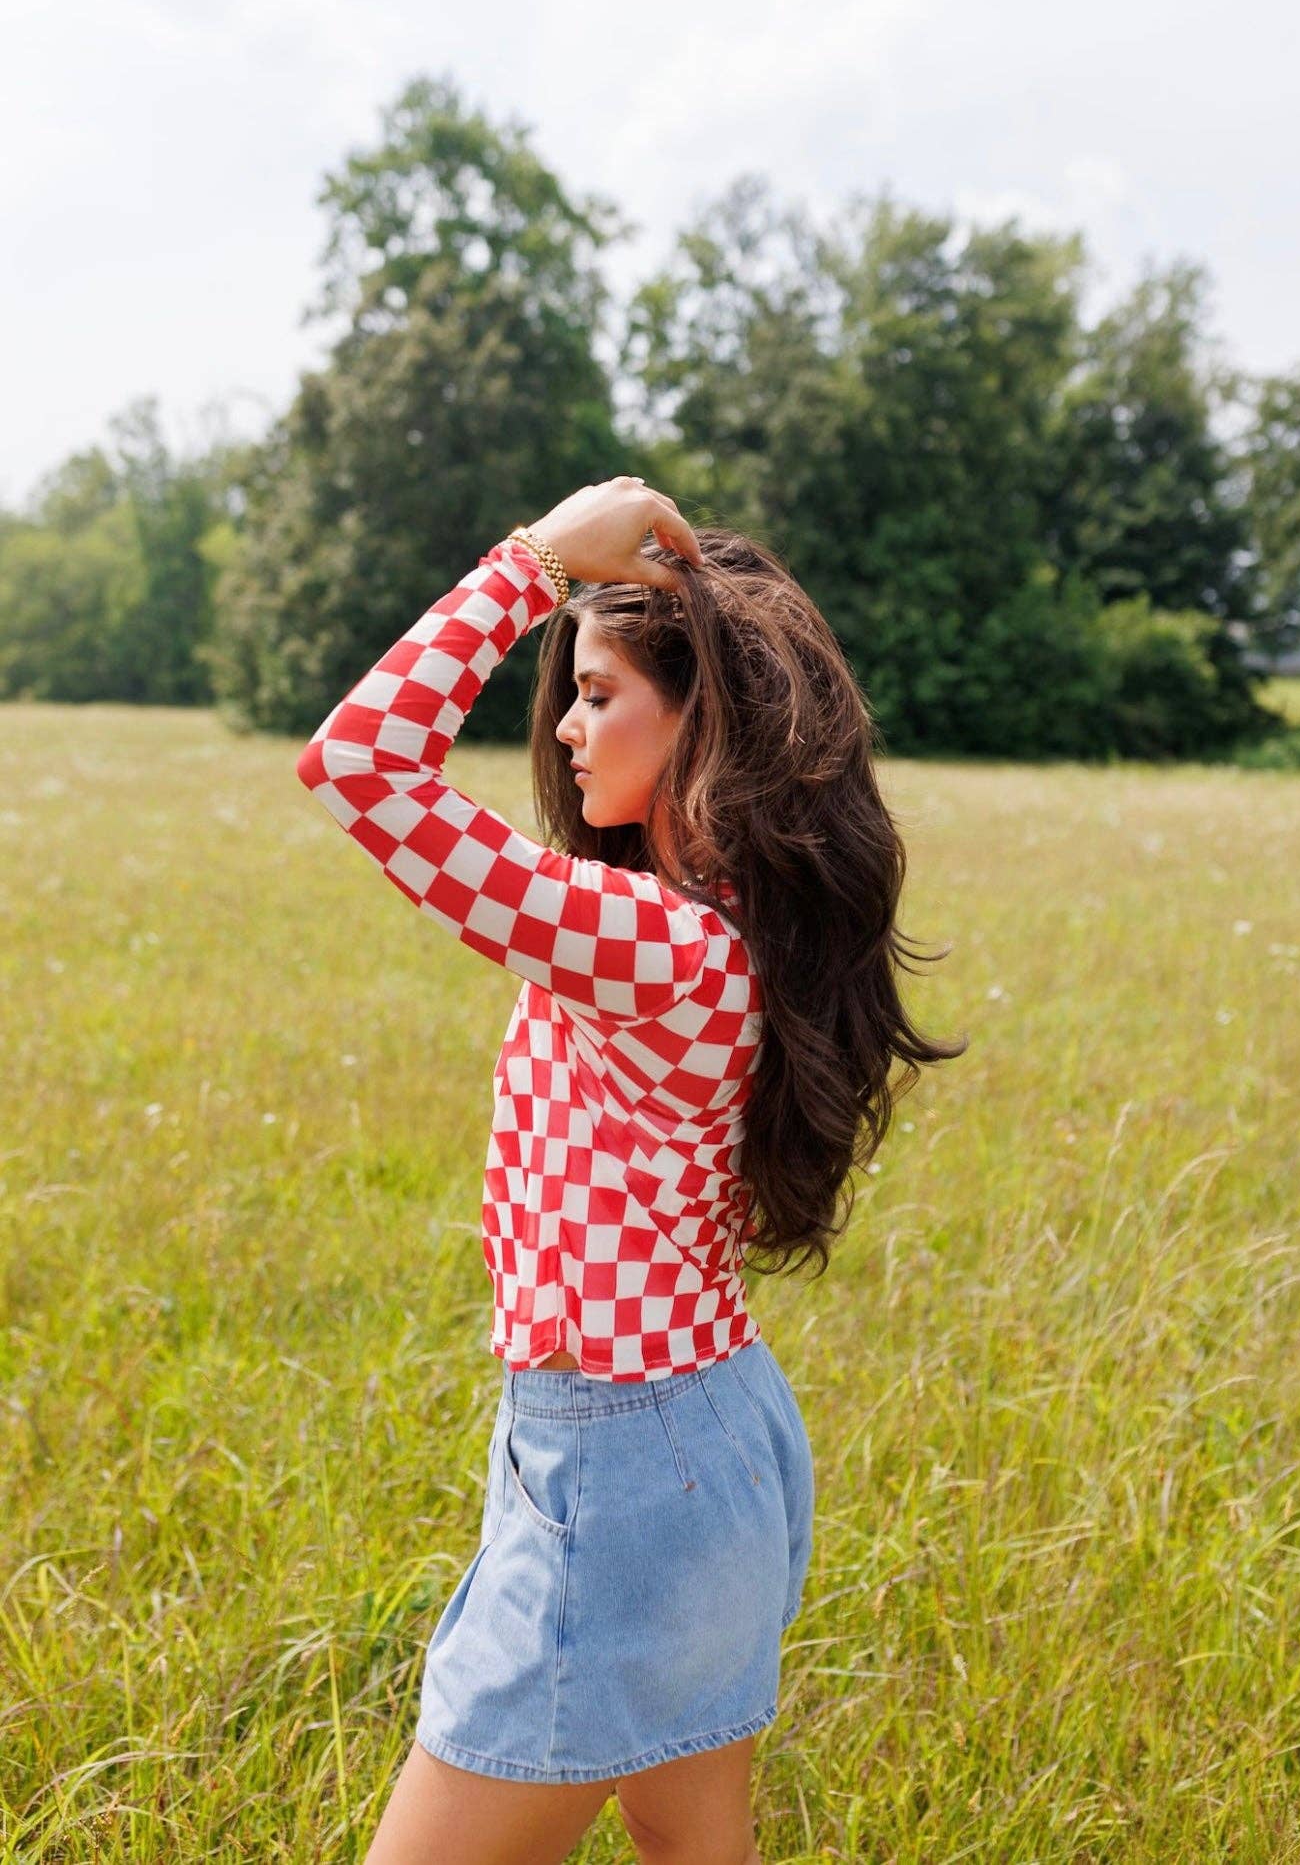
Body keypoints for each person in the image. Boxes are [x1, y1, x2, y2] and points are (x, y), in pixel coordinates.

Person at [295, 476, 966, 1865]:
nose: (563, 724)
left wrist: (533, 562)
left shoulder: (652, 944)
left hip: (619, 1461)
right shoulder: (734, 922)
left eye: (599, 694)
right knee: (693, 1847)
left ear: (704, 723)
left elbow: (360, 765)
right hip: (714, 1430)